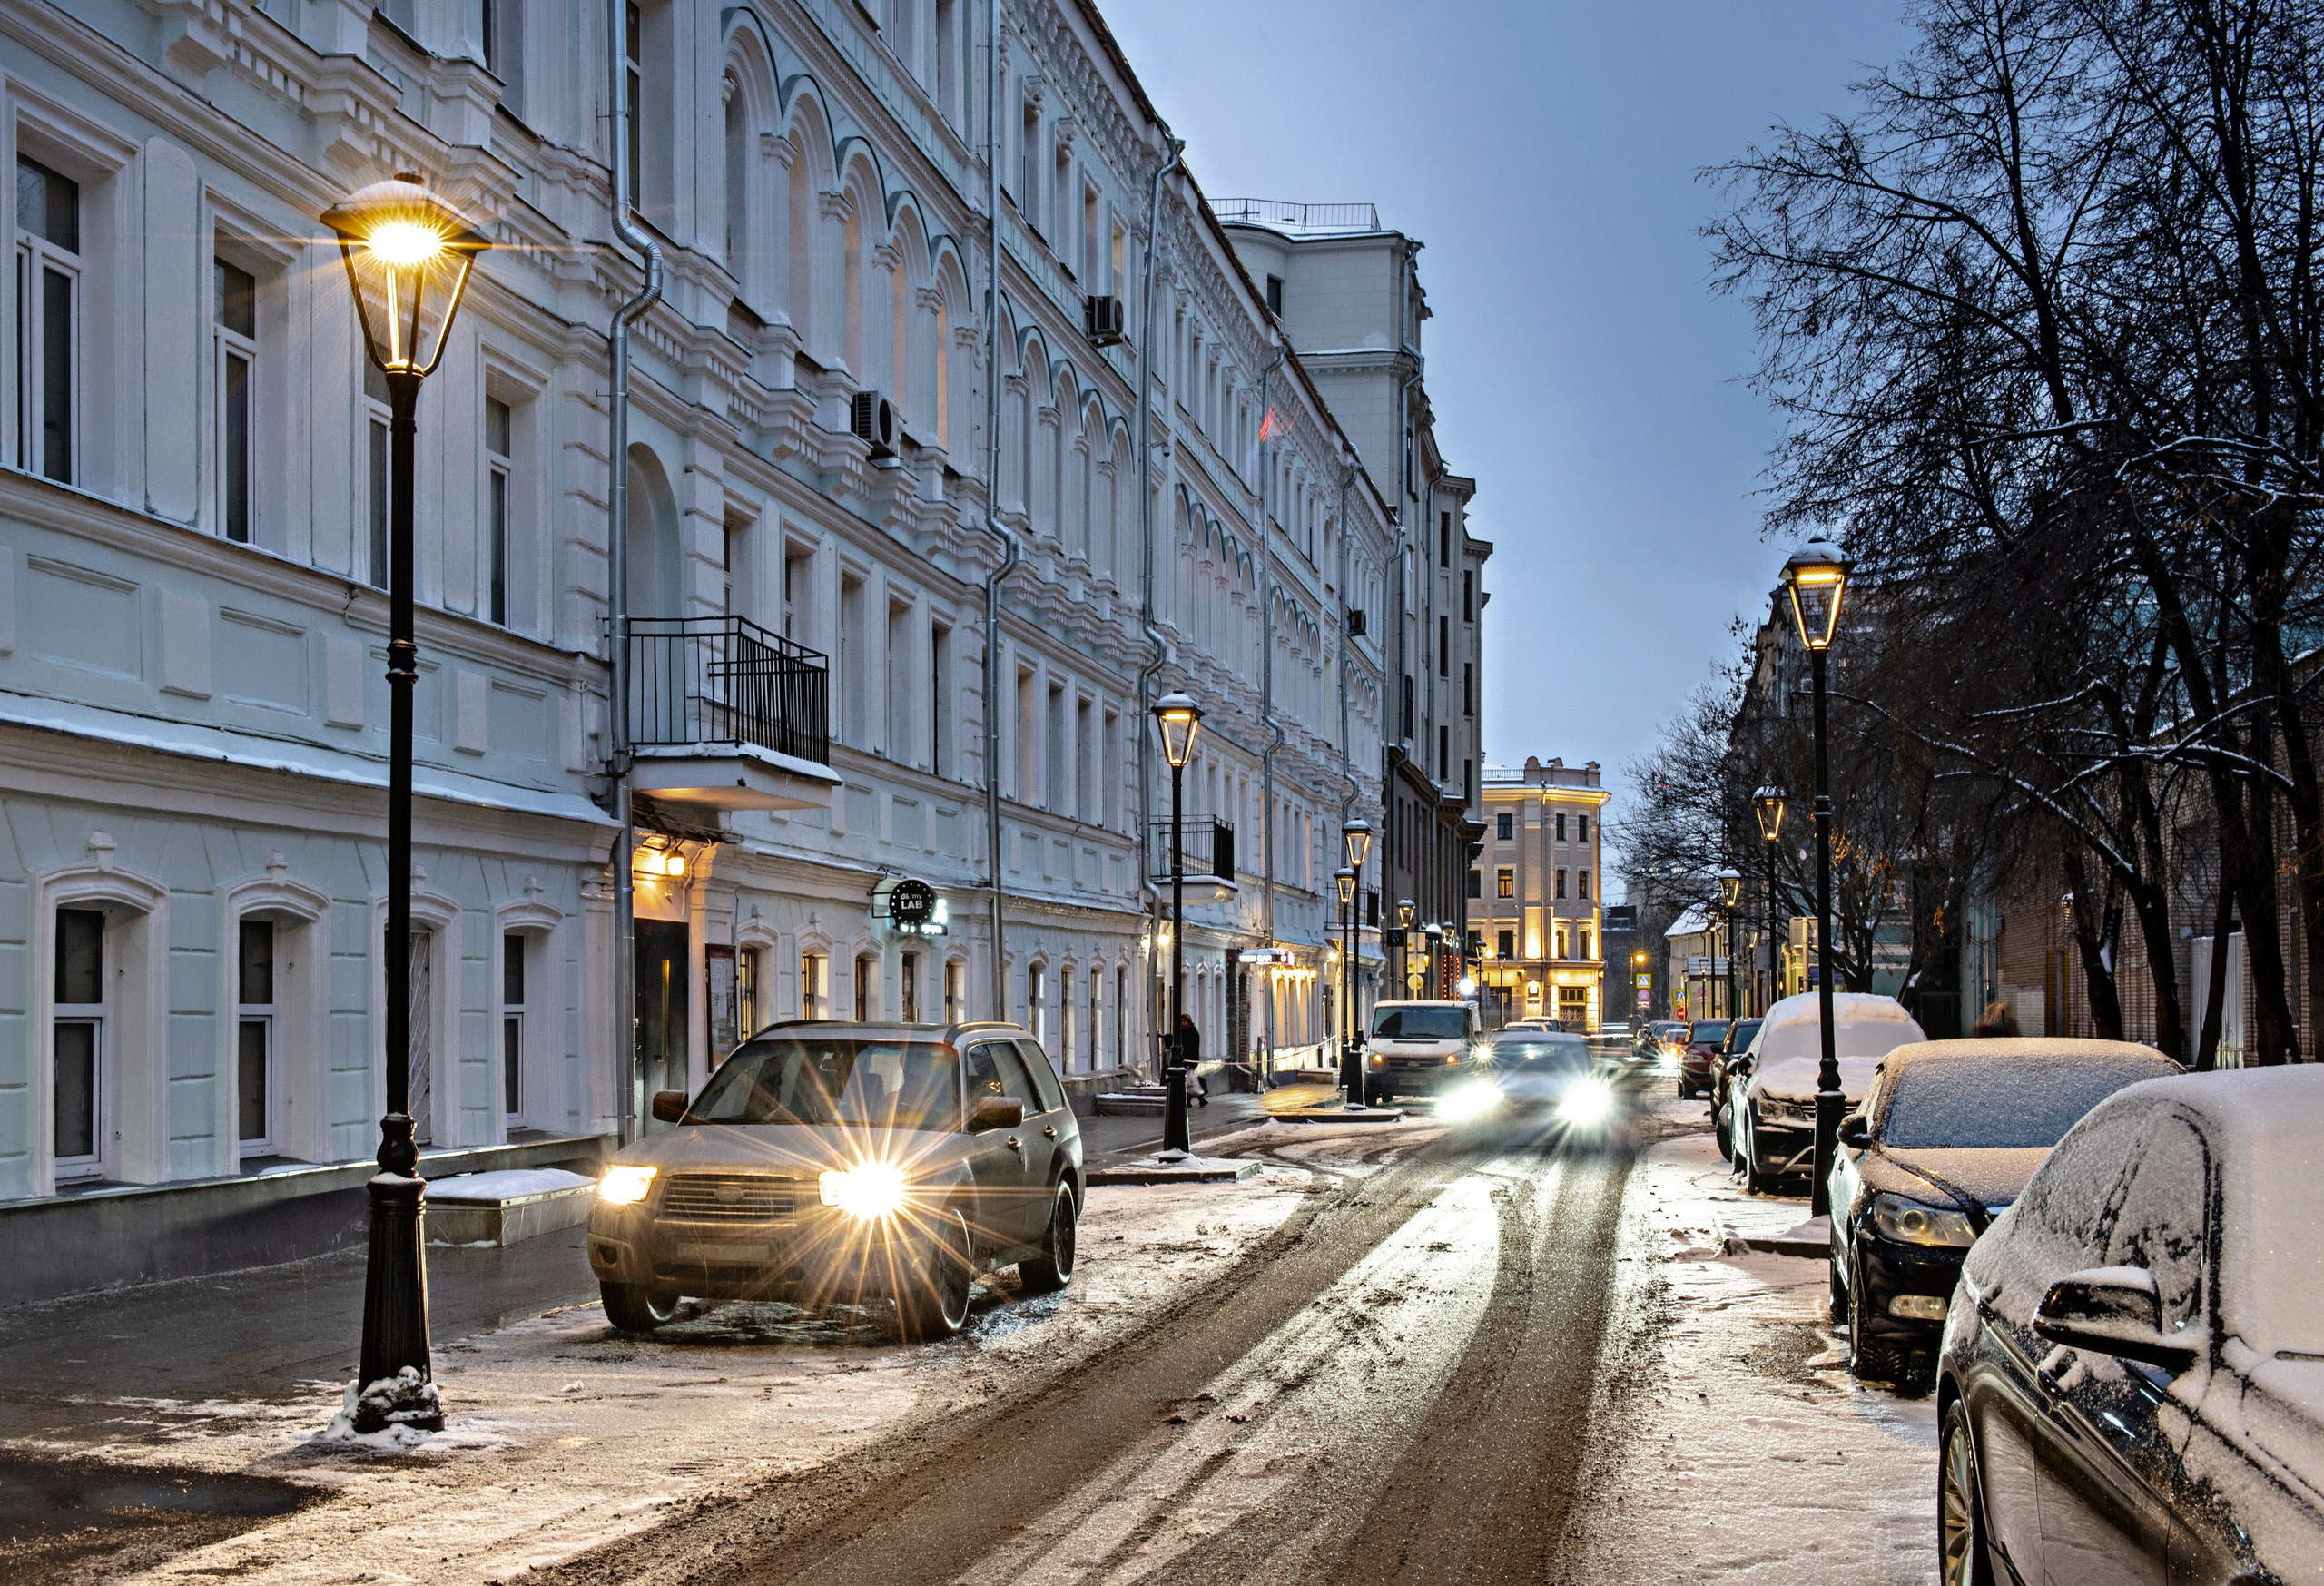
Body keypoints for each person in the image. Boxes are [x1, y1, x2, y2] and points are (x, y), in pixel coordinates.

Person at [1175, 1012, 1207, 1106]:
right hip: (1184, 1059)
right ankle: (1197, 1099)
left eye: (1184, 1021)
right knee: (1189, 1080)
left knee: (1189, 1080)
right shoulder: (1182, 1031)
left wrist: (1190, 1061)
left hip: (1190, 1059)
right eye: (1181, 1022)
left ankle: (1196, 1099)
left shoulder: (1192, 1032)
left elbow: (1193, 1047)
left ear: (1189, 1022)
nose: (1183, 1023)